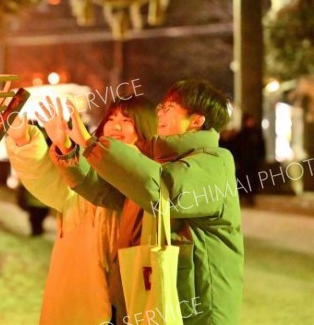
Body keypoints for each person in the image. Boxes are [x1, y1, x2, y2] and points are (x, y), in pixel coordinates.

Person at [47, 79, 244, 324]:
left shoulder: (215, 162)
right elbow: (107, 191)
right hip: (148, 299)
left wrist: (91, 143)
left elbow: (164, 192)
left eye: (171, 108)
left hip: (194, 310)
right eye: (161, 107)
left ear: (197, 120)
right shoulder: (156, 161)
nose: (160, 112)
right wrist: (67, 148)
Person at [6, 96, 157, 325]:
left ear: (147, 126)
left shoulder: (151, 175)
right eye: (112, 118)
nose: (116, 126)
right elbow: (46, 178)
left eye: (127, 120)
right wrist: (23, 140)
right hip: (79, 296)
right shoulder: (83, 165)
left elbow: (119, 187)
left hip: (130, 295)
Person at [232, 113, 265, 206]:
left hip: (254, 162)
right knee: (244, 180)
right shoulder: (241, 135)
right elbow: (237, 148)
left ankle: (251, 197)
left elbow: (261, 148)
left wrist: (260, 159)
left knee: (253, 181)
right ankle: (244, 197)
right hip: (244, 163)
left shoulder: (257, 134)